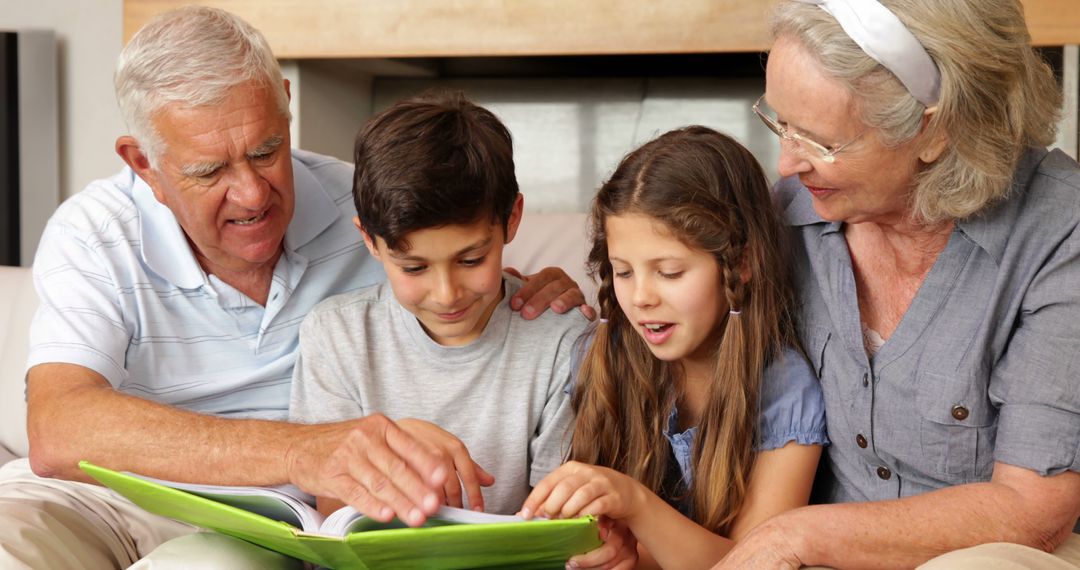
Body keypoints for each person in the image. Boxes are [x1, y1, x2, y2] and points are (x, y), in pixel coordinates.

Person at [0, 6, 587, 569]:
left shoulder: (364, 206)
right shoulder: (96, 232)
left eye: (265, 151)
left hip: (264, 524)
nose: (253, 194)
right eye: (209, 171)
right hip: (95, 498)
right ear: (143, 164)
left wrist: (531, 287)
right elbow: (58, 428)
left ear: (287, 103)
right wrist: (300, 450)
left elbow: (448, 270)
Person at [715, 0, 1080, 568]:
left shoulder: (1061, 235)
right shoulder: (792, 212)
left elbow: (1032, 510)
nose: (786, 164)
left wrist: (797, 536)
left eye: (820, 142)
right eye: (780, 123)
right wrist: (554, 290)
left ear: (936, 133)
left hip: (1004, 552)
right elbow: (672, 295)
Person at [521, 126, 828, 569]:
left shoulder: (785, 391)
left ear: (741, 264)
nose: (641, 297)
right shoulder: (599, 356)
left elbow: (755, 562)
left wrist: (636, 505)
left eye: (668, 272)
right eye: (623, 272)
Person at [288, 91, 589, 521]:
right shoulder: (337, 336)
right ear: (369, 241)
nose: (447, 294)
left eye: (471, 260)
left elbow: (556, 528)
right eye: (414, 267)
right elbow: (338, 524)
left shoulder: (563, 343)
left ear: (512, 219)